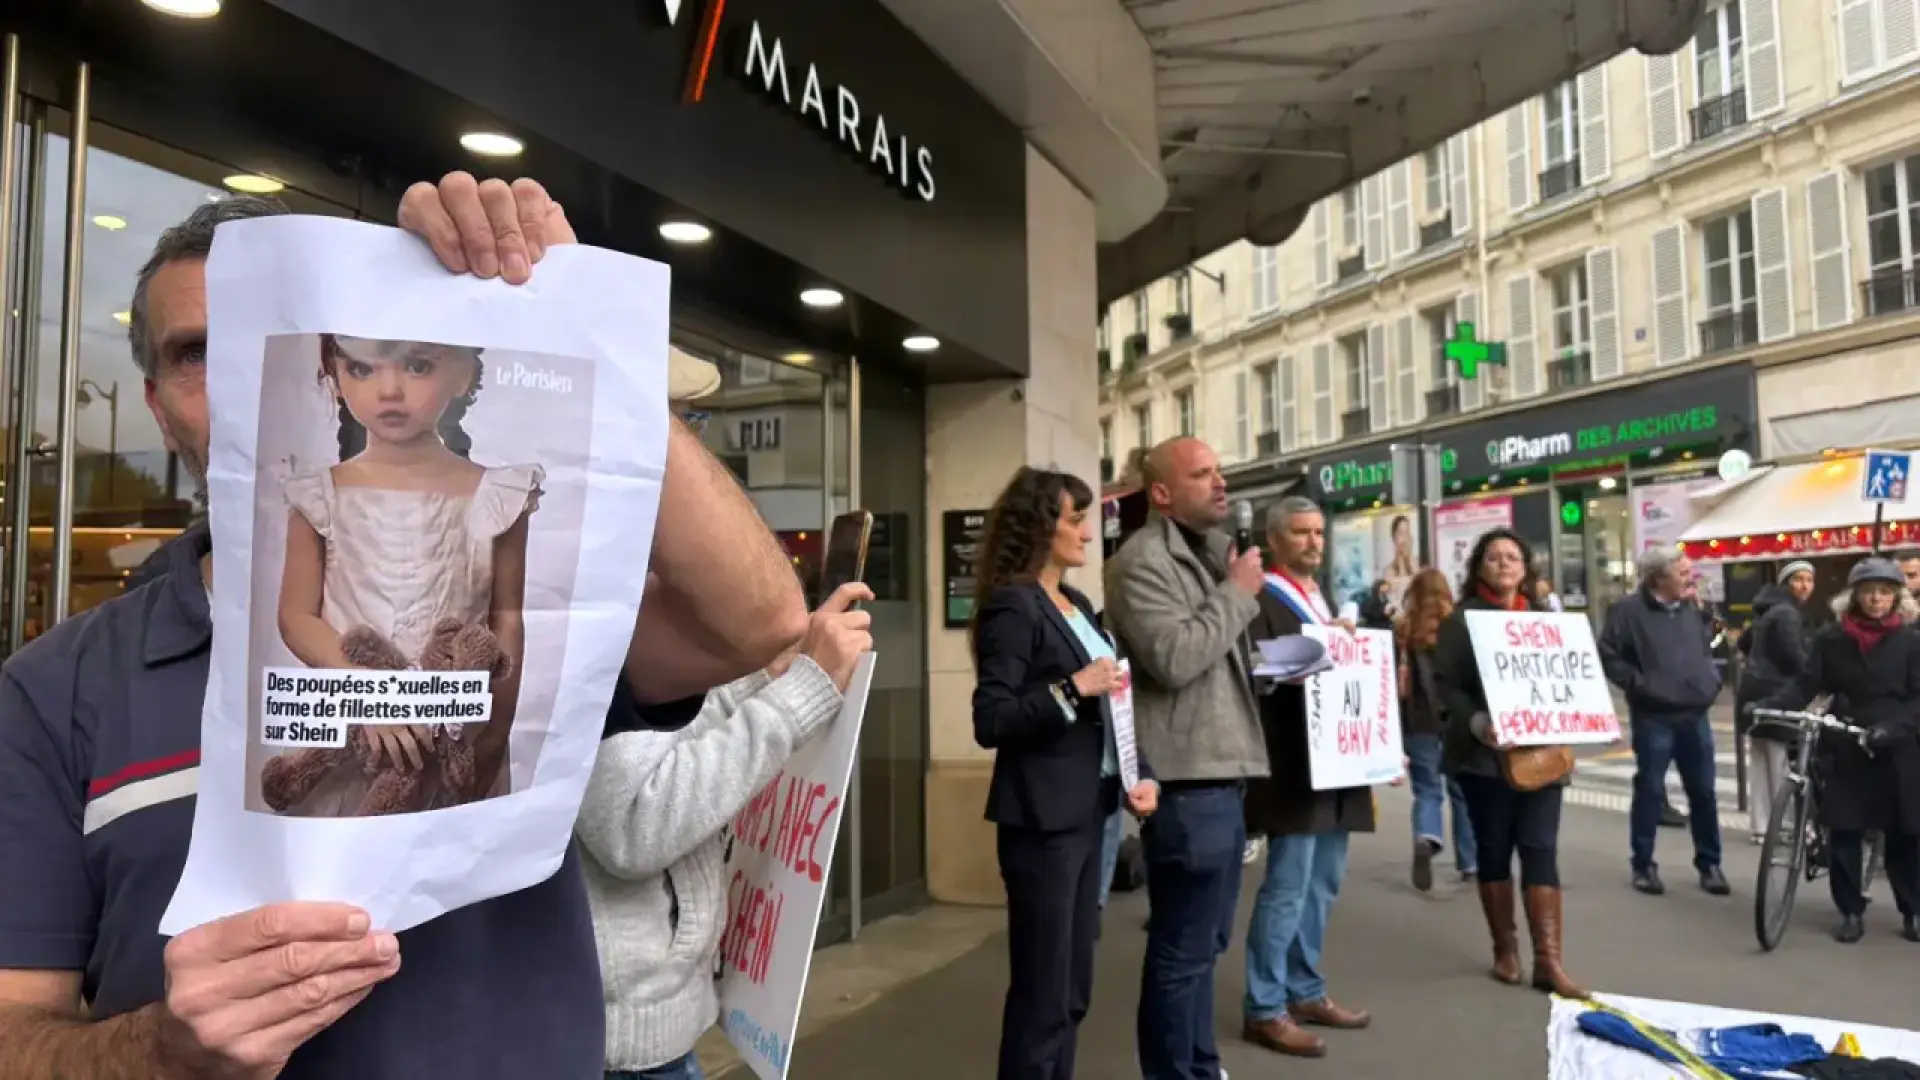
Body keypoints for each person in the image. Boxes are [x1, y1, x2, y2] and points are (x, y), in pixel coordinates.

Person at [0, 174, 808, 1079]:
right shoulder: (55, 691)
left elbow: (761, 621)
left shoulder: (531, 587)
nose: (237, 378)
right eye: (199, 353)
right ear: (157, 406)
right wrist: (161, 1051)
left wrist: (574, 313)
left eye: (267, 333)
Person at [579, 581, 874, 1080]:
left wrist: (768, 678)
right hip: (619, 1046)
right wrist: (797, 696)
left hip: (647, 1029)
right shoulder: (592, 616)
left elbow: (666, 741)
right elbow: (634, 821)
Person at [269, 336, 542, 816]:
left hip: (456, 745)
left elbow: (506, 620)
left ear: (462, 372)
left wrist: (494, 736)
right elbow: (296, 616)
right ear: (334, 373)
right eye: (362, 369)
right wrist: (366, 692)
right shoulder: (318, 494)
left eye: (417, 366)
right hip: (353, 744)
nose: (389, 390)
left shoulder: (499, 495)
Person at [971, 467, 1159, 1080]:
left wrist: (1138, 773)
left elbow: (1112, 705)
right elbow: (992, 719)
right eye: (1075, 519)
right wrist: (1072, 687)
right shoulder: (1013, 605)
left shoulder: (1076, 605)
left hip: (1095, 810)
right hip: (1043, 823)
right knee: (1043, 996)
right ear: (1038, 526)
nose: (1087, 531)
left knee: (1073, 990)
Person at [1104, 436, 1266, 1080]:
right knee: (1182, 949)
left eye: (1220, 470)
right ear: (1163, 493)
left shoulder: (1210, 555)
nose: (1220, 482)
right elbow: (1173, 658)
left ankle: (1201, 1066)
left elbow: (1214, 658)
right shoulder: (1140, 562)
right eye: (1203, 474)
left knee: (1206, 944)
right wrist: (1238, 593)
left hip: (1221, 774)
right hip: (1185, 779)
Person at [1240, 497, 1373, 1060]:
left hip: (1337, 763)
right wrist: (1314, 651)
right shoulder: (1259, 596)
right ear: (1274, 540)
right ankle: (1264, 1006)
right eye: (1300, 532)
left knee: (1322, 885)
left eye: (1318, 532)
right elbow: (1251, 666)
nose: (1314, 542)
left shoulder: (1321, 597)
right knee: (1288, 887)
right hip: (1293, 763)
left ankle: (1305, 989)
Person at [1433, 529, 1586, 998]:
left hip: (1543, 754)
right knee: (1494, 850)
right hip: (1484, 758)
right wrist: (1478, 723)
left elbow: (1570, 677)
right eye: (1494, 557)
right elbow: (1446, 687)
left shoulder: (1544, 619)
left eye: (1513, 557)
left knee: (1541, 849)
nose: (1504, 563)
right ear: (1480, 567)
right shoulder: (1460, 622)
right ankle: (1506, 950)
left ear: (1525, 567)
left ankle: (1549, 962)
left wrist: (1584, 713)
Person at [1758, 557, 1920, 943]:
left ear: (1896, 598)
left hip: (1897, 743)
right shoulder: (1832, 639)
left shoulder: (1911, 642)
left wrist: (1893, 728)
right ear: (1854, 596)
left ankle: (1912, 910)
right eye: (1868, 592)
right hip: (1846, 738)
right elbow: (1808, 683)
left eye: (1884, 592)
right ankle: (1850, 911)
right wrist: (1772, 706)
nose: (1876, 599)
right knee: (1844, 831)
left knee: (1905, 834)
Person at [1599, 547, 1731, 898]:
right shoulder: (1627, 611)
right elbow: (1609, 654)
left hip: (1695, 713)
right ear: (1658, 578)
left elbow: (1710, 647)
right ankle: (1643, 864)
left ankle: (1710, 864)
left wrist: (1712, 680)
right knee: (1651, 791)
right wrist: (1639, 685)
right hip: (1654, 715)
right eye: (1683, 573)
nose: (1691, 578)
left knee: (1703, 792)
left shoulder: (1692, 608)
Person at [1397, 567, 1477, 890]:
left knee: (1427, 789)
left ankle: (1427, 836)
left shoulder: (1401, 631)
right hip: (1454, 721)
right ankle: (1471, 862)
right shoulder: (1457, 629)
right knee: (1462, 793)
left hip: (1417, 722)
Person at [1737, 560, 1815, 843]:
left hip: (1753, 692)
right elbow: (1793, 656)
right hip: (1776, 693)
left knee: (1760, 760)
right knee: (1779, 762)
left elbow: (1744, 643)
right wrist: (1816, 676)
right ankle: (1781, 826)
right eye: (1798, 579)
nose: (1804, 585)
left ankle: (1761, 826)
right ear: (1785, 583)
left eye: (1809, 580)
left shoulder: (1767, 608)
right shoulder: (1787, 614)